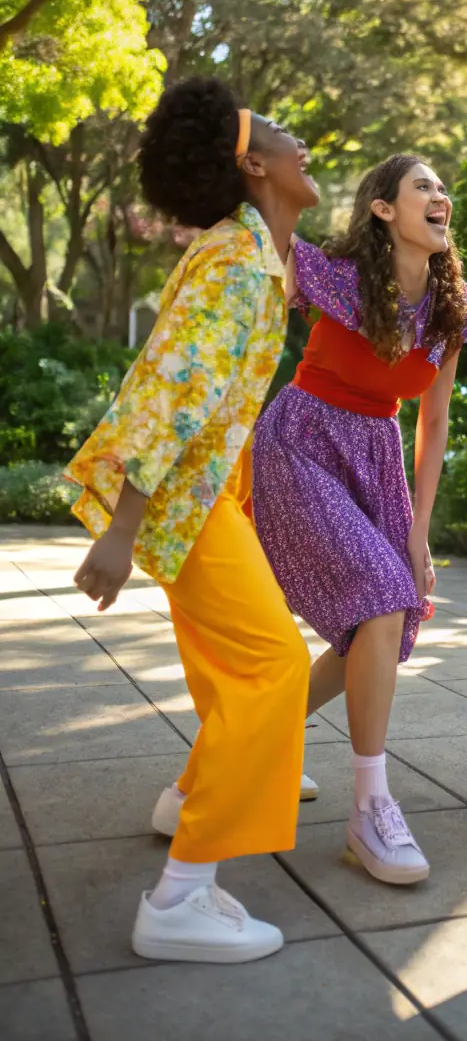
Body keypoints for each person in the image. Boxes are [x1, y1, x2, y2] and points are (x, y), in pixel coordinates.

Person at [66, 77, 321, 963]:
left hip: (205, 495)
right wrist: (122, 529)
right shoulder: (237, 264)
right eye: (282, 131)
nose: (301, 144)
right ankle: (180, 896)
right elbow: (169, 393)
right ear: (253, 165)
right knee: (273, 665)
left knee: (227, 668)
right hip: (182, 499)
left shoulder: (259, 255)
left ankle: (189, 796)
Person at [250, 154, 467, 885]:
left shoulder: (454, 307)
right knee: (381, 601)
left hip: (376, 455)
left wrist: (419, 533)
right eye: (423, 186)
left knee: (376, 624)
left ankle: (245, 747)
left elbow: (434, 422)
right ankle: (369, 808)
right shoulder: (334, 275)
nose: (440, 195)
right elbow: (259, 280)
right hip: (302, 441)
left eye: (442, 188)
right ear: (384, 209)